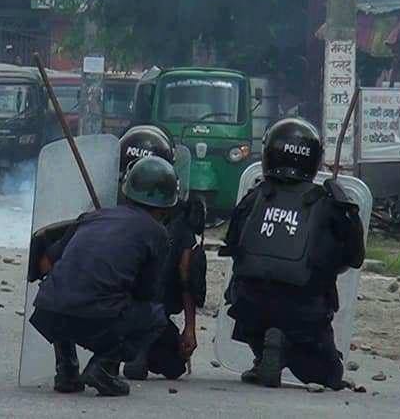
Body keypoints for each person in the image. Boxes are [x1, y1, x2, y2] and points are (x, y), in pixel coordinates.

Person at [220, 118, 364, 389]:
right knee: (330, 376)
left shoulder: (255, 195)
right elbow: (355, 258)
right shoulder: (329, 202)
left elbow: (231, 245)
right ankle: (282, 345)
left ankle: (264, 353)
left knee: (250, 299)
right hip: (304, 313)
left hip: (251, 308)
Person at [29, 156, 180, 397]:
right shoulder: (157, 233)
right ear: (166, 205)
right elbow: (147, 293)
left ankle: (66, 370)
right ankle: (104, 368)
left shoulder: (92, 217)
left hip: (48, 310)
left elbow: (51, 259)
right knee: (154, 316)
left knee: (66, 294)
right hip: (92, 317)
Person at [116, 125, 202, 381]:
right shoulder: (176, 221)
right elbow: (188, 275)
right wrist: (190, 328)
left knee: (173, 363)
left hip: (98, 306)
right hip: (145, 311)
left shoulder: (104, 212)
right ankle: (125, 352)